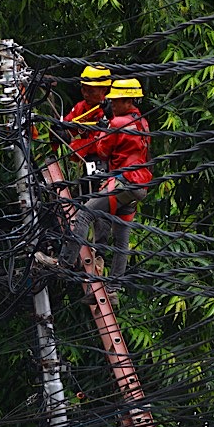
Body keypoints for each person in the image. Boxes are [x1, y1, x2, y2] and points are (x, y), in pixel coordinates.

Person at [56, 78, 152, 307]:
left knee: (85, 214)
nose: (112, 105)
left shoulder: (117, 122)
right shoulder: (142, 122)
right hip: (139, 187)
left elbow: (101, 150)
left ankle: (64, 262)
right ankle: (113, 290)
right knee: (121, 241)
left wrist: (101, 129)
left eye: (116, 101)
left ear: (127, 100)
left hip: (123, 181)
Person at [51, 65, 111, 194]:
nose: (85, 94)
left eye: (91, 91)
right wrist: (60, 132)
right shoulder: (82, 107)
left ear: (104, 90)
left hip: (110, 169)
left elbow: (106, 145)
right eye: (84, 89)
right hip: (89, 166)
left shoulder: (113, 111)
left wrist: (77, 146)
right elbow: (68, 124)